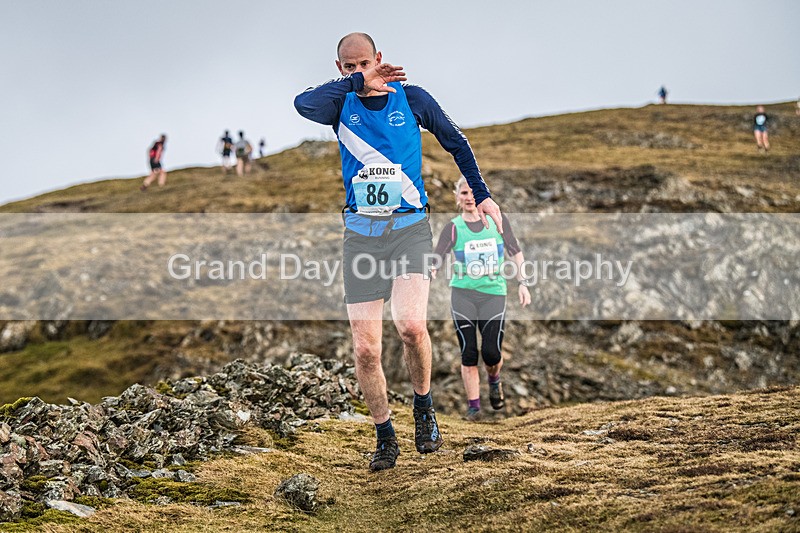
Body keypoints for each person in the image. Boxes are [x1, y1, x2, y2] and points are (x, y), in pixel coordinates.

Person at [294, 32, 503, 472]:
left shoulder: (412, 98)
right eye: (349, 67)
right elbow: (302, 104)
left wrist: (481, 194)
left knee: (410, 326)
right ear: (341, 69)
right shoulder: (337, 102)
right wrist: (358, 83)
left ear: (379, 58)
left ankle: (423, 407)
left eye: (364, 63)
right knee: (366, 350)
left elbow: (456, 141)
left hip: (409, 230)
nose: (358, 71)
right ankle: (384, 434)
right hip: (361, 237)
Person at [431, 177, 531, 421]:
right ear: (457, 197)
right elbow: (437, 258)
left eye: (472, 192)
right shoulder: (453, 227)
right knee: (468, 352)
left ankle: (494, 379)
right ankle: (474, 407)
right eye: (463, 193)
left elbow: (515, 251)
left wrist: (523, 283)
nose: (469, 197)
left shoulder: (498, 221)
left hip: (493, 294)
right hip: (462, 294)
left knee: (491, 353)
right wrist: (429, 273)